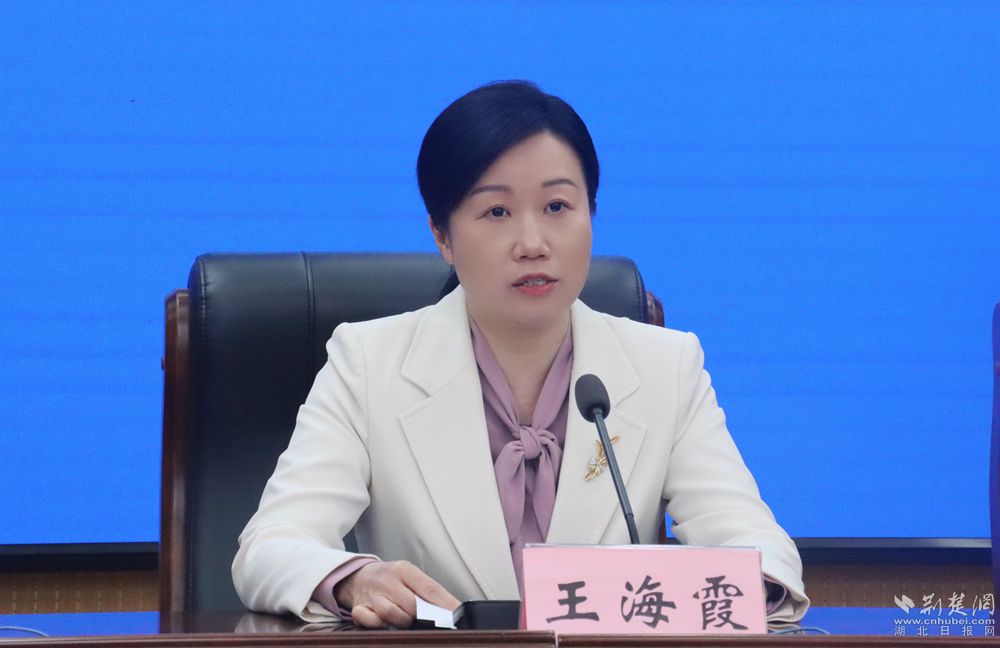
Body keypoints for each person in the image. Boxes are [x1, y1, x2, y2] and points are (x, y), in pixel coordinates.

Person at [231, 80, 809, 628]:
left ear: (591, 213)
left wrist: (717, 594)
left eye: (557, 207)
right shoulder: (367, 364)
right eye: (497, 212)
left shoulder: (666, 367)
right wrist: (356, 581)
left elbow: (759, 547)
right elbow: (270, 547)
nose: (533, 244)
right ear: (442, 236)